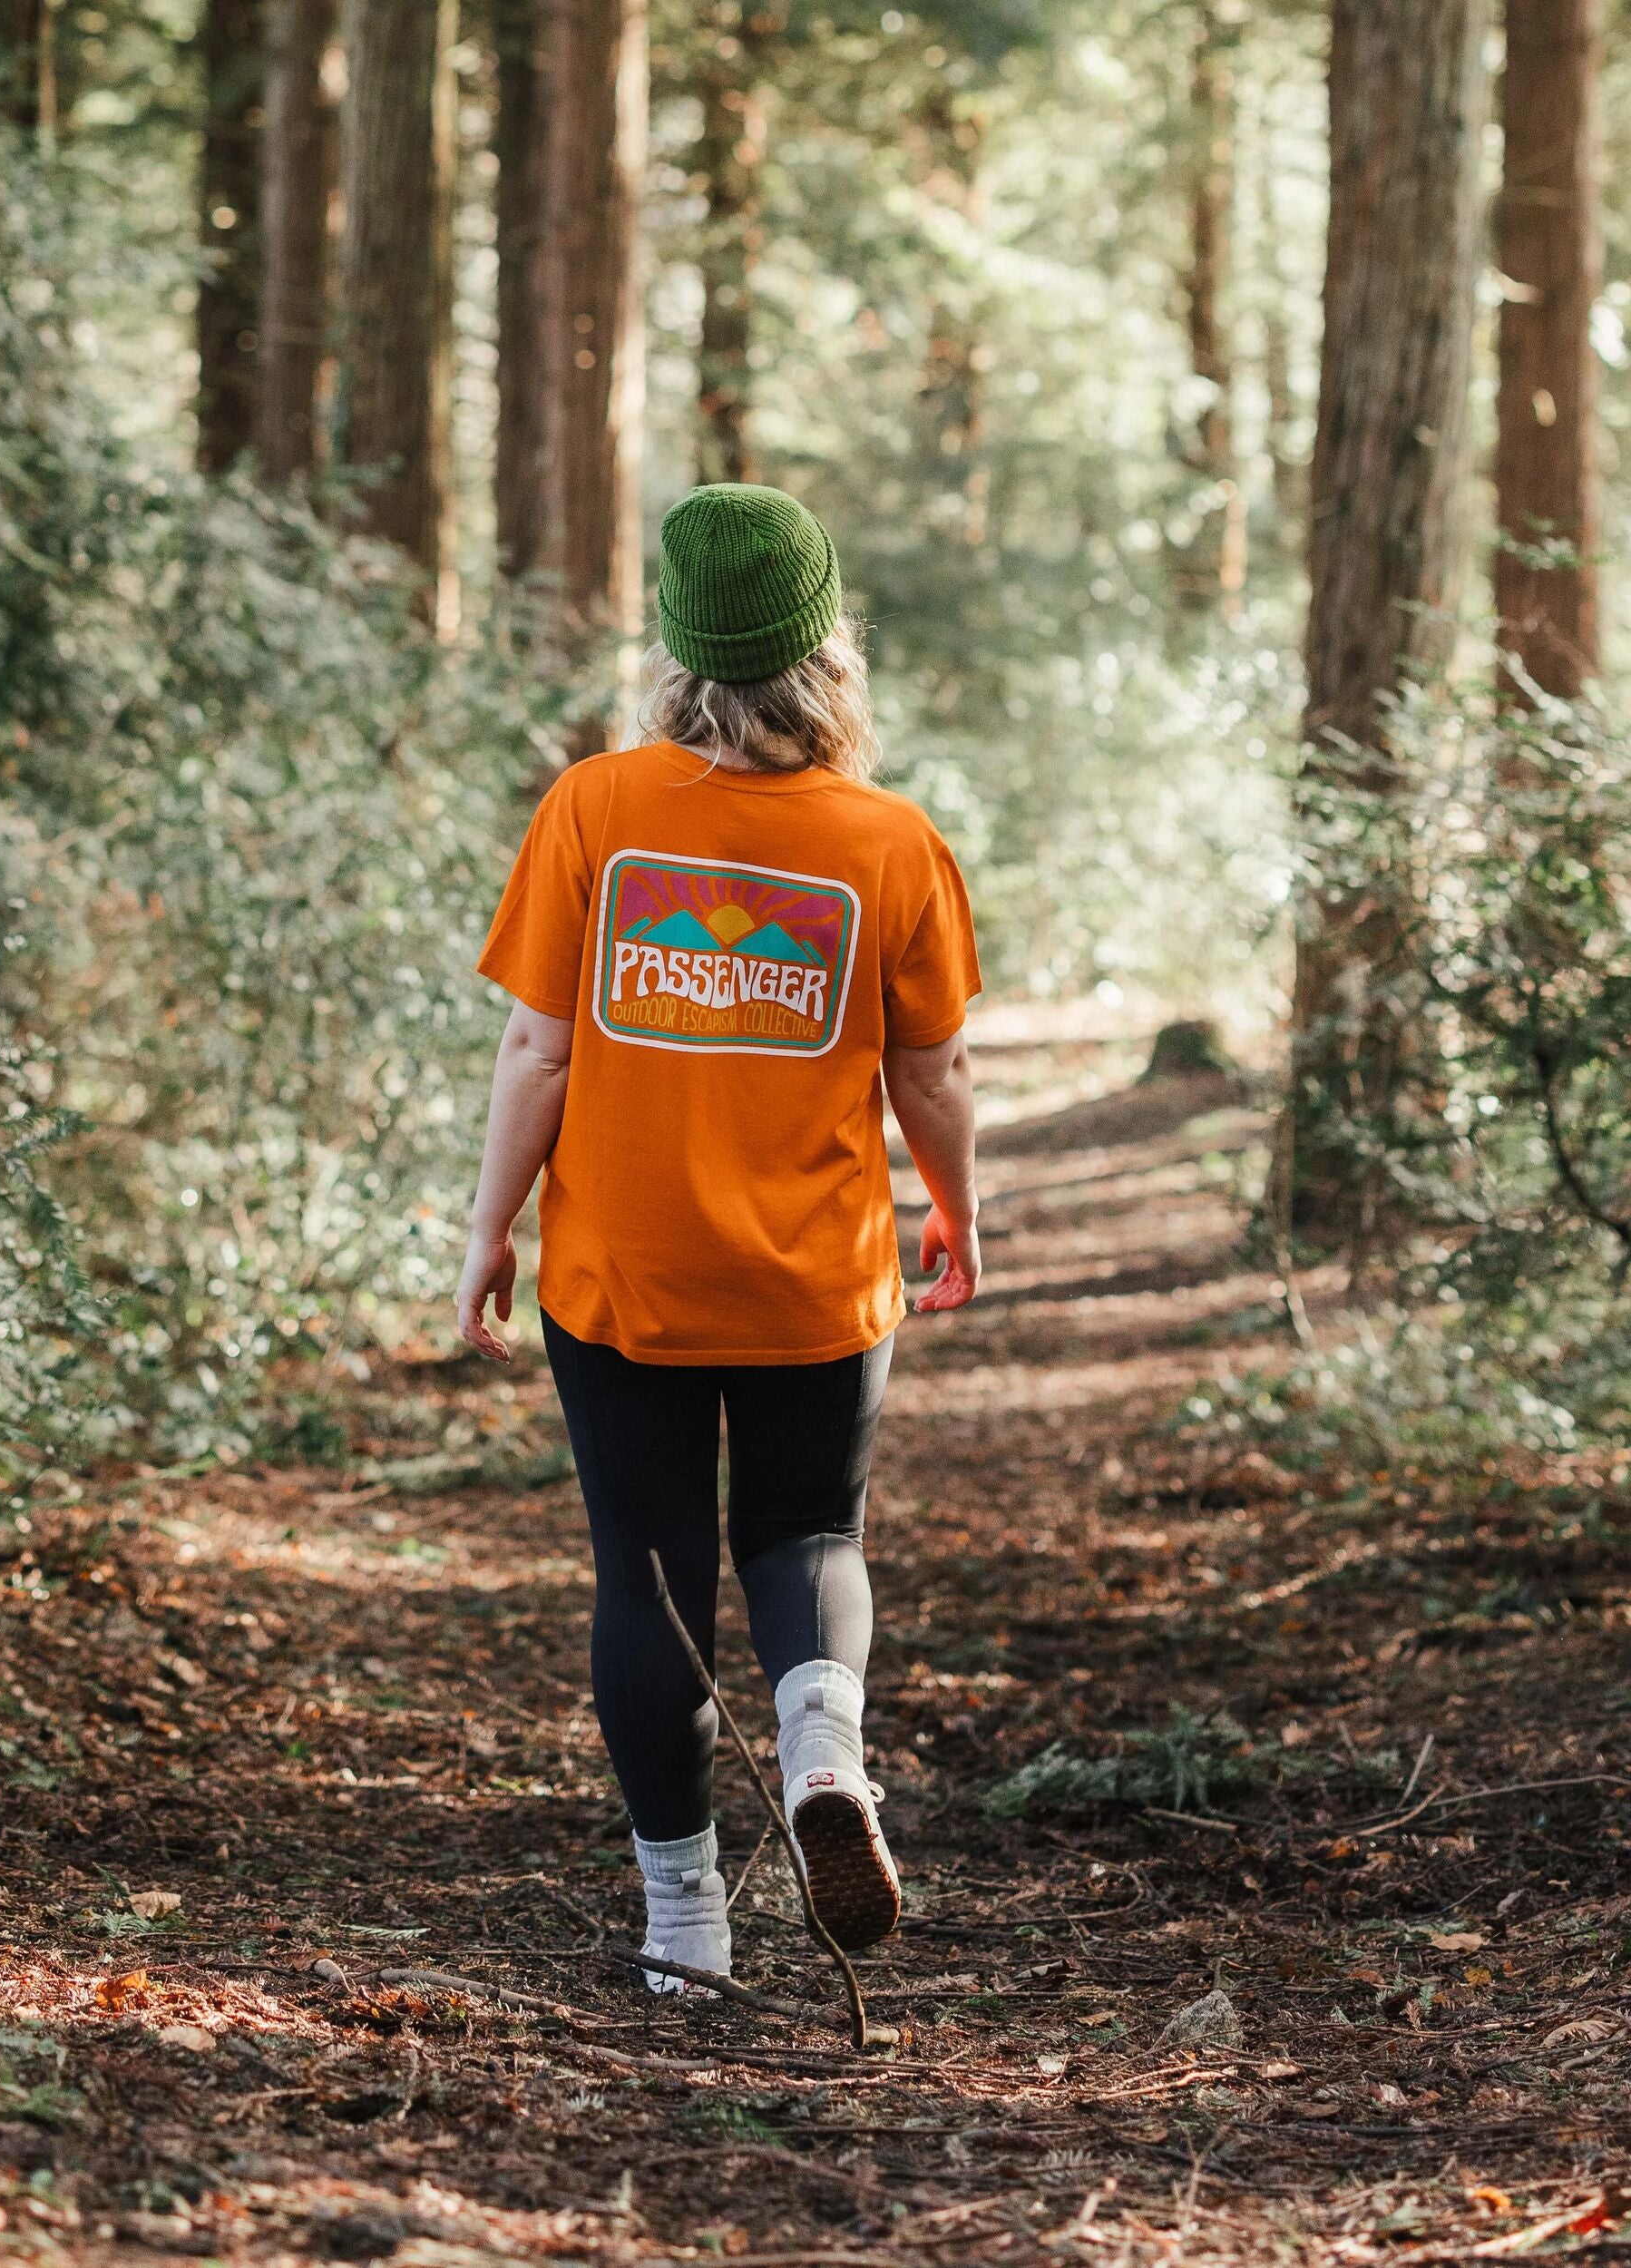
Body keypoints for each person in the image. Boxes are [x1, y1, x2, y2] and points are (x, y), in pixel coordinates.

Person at [456, 484, 981, 1989]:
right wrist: (956, 1210)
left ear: (676, 648)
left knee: (649, 1572)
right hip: (816, 1277)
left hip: (624, 1274)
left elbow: (538, 1053)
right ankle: (821, 1747)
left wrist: (493, 1228)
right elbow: (934, 1071)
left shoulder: (594, 810)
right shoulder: (891, 841)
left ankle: (685, 1926)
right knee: (808, 1535)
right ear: (826, 646)